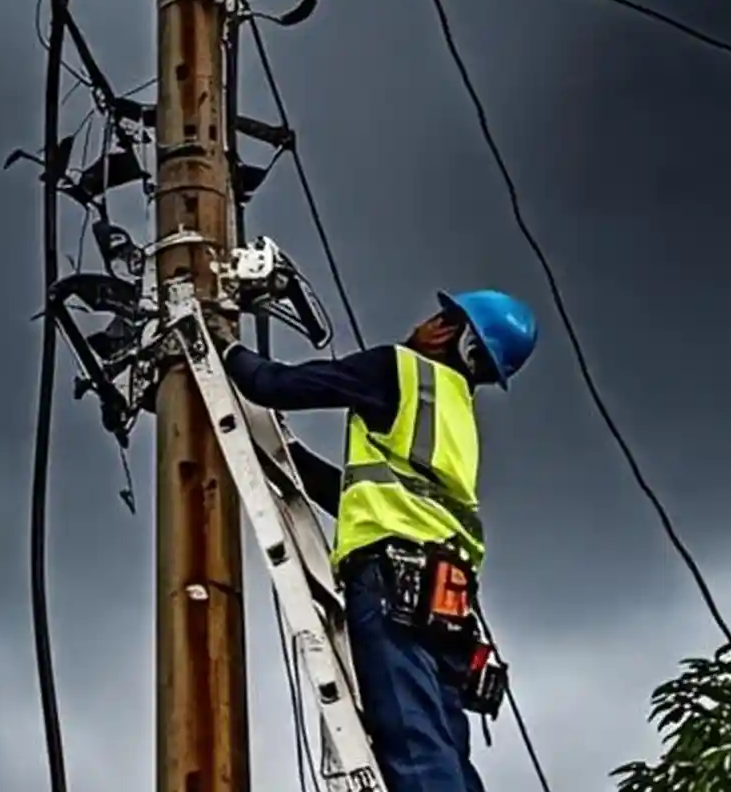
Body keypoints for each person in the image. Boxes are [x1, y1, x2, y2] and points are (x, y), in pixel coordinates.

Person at [213, 289, 538, 792]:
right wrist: (288, 461)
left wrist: (223, 345)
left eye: (443, 318)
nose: (429, 322)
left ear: (457, 335)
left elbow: (275, 384)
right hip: (448, 605)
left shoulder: (398, 370)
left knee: (414, 747)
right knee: (446, 749)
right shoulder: (456, 413)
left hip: (394, 590)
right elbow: (372, 495)